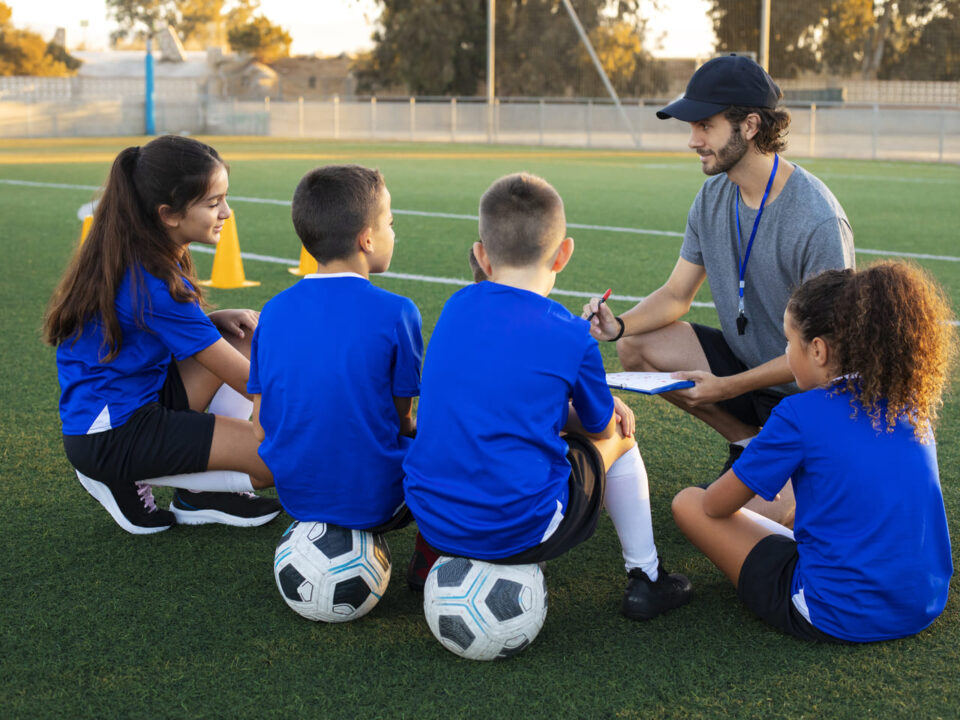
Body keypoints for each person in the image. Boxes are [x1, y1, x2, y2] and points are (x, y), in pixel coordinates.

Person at [404, 173, 693, 621]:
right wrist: (588, 412)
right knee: (620, 431)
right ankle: (647, 578)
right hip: (517, 528)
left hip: (429, 511)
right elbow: (597, 427)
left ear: (481, 255)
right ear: (564, 253)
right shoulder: (571, 334)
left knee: (471, 426)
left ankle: (426, 561)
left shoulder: (456, 306)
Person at [584, 54, 855, 522]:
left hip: (811, 395)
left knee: (742, 518)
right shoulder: (713, 196)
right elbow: (676, 295)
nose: (692, 141)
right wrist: (618, 324)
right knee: (636, 344)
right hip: (749, 371)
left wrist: (726, 385)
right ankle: (747, 443)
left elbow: (825, 355)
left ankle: (793, 468)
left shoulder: (817, 219)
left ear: (750, 126)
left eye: (704, 126)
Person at [671, 262, 955, 642]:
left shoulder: (799, 414)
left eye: (789, 343)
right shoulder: (909, 402)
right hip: (923, 602)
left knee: (688, 502)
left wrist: (759, 453)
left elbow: (714, 507)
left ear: (818, 350)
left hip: (835, 612)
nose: (787, 354)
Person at [44, 135, 281, 535]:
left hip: (141, 394)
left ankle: (199, 495)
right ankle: (118, 476)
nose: (226, 211)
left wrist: (213, 318)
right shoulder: (153, 280)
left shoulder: (145, 248)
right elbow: (248, 382)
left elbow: (155, 324)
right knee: (276, 458)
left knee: (246, 335)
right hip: (112, 435)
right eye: (213, 203)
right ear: (169, 213)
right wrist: (315, 416)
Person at [248, 165, 423, 544]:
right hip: (378, 501)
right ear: (367, 240)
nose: (394, 232)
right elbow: (402, 419)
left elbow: (260, 423)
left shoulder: (273, 310)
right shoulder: (398, 311)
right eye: (390, 223)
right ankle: (431, 559)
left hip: (295, 495)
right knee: (451, 438)